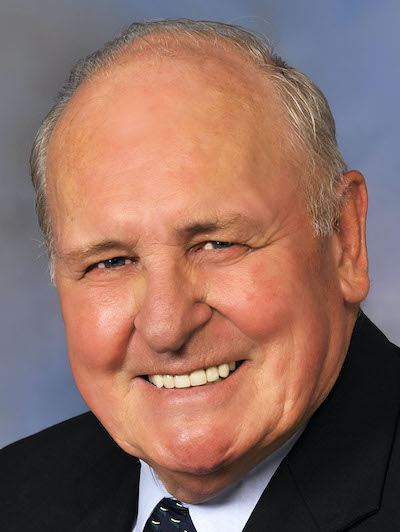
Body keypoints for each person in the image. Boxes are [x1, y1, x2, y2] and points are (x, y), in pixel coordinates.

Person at [1, 19, 399, 532]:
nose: (166, 326)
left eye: (217, 244)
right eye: (111, 261)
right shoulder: (15, 494)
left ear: (345, 240)